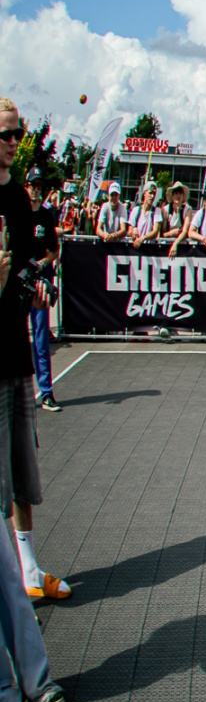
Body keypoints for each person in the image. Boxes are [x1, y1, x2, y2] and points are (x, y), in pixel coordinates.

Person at [0, 105, 70, 609]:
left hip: (14, 352)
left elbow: (28, 262)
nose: (13, 141)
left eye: (17, 133)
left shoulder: (19, 199)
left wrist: (35, 288)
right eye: (6, 133)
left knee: (23, 469)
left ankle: (27, 569)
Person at [25, 173, 60, 412]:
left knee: (40, 339)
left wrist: (43, 263)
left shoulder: (46, 216)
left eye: (39, 185)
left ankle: (46, 392)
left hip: (39, 279)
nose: (36, 190)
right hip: (18, 280)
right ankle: (15, 394)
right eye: (33, 185)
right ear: (26, 187)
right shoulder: (18, 213)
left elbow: (54, 251)